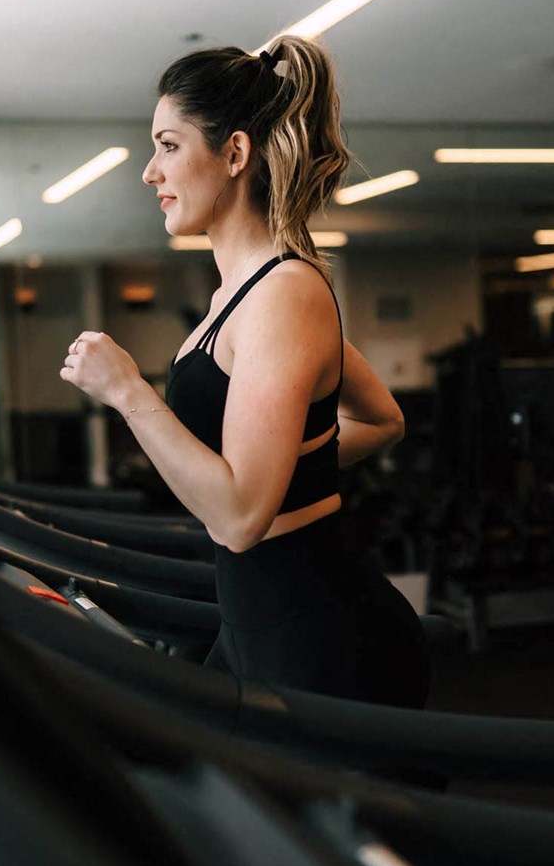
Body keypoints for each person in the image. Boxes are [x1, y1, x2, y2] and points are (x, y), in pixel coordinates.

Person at [60, 35, 429, 708]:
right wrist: (290, 464)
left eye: (169, 146)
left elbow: (238, 519)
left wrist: (127, 391)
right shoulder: (241, 297)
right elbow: (382, 420)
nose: (150, 172)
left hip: (321, 642)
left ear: (234, 153)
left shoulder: (284, 295)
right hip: (255, 623)